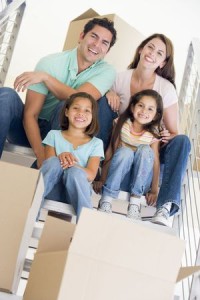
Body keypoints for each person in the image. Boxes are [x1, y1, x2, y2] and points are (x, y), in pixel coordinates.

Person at [96, 33, 191, 226]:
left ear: (163, 62)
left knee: (183, 141)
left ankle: (164, 206)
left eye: (159, 53)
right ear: (141, 49)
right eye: (150, 47)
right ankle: (95, 168)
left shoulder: (165, 88)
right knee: (102, 102)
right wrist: (108, 92)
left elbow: (174, 132)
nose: (152, 54)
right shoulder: (119, 78)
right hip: (121, 143)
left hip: (148, 147)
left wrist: (165, 135)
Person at [0, 17, 117, 167]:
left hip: (64, 132)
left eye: (104, 43)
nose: (97, 45)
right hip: (32, 128)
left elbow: (77, 100)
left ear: (107, 50)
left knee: (68, 104)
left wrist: (46, 78)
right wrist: (42, 155)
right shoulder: (50, 63)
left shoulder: (107, 71)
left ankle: (87, 165)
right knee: (5, 95)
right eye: (93, 36)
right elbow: (30, 115)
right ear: (81, 36)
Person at [93, 89, 163, 220]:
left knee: (145, 150)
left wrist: (154, 190)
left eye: (150, 109)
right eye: (140, 106)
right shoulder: (122, 124)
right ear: (132, 107)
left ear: (156, 115)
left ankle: (135, 204)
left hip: (141, 181)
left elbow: (155, 161)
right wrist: (102, 179)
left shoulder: (153, 133)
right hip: (118, 176)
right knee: (125, 152)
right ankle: (106, 200)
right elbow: (110, 150)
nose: (144, 111)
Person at [40, 92, 104, 221]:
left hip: (76, 192)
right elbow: (48, 167)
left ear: (93, 116)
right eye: (76, 108)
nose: (81, 113)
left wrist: (72, 164)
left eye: (87, 110)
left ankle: (86, 225)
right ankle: (30, 211)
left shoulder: (96, 143)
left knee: (74, 172)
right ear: (67, 112)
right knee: (53, 162)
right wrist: (61, 156)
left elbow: (91, 175)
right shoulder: (53, 135)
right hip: (52, 189)